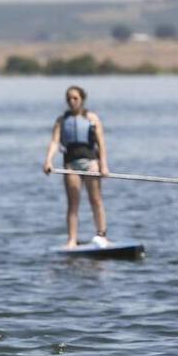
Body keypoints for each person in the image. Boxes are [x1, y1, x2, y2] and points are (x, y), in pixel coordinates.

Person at [43, 85, 110, 248]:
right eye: (69, 99)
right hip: (70, 165)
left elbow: (101, 143)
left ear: (82, 99)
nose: (72, 102)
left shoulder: (92, 118)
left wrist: (104, 165)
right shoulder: (61, 121)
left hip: (90, 163)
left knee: (96, 200)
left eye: (75, 98)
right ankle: (72, 239)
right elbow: (54, 142)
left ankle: (102, 236)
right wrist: (48, 160)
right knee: (73, 203)